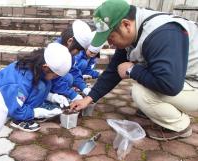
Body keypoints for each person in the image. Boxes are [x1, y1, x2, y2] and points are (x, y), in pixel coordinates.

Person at [71, 0, 198, 141]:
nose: (110, 43)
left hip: (190, 81)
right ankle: (158, 110)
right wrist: (89, 99)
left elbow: (170, 85)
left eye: (110, 37)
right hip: (181, 76)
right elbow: (113, 71)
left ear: (126, 25)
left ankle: (180, 126)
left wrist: (132, 70)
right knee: (144, 80)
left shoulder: (162, 34)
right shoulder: (134, 31)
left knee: (141, 92)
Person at [0, 42, 72, 132]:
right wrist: (36, 113)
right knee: (41, 86)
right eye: (55, 75)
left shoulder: (36, 68)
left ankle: (29, 110)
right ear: (45, 67)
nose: (56, 78)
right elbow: (14, 109)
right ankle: (19, 120)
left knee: (45, 84)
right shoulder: (20, 82)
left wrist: (52, 97)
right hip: (6, 101)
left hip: (15, 95)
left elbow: (30, 88)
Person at [51, 20, 93, 101]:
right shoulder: (55, 54)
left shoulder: (68, 53)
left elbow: (73, 71)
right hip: (45, 84)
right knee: (67, 78)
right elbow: (55, 80)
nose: (78, 54)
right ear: (70, 41)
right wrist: (72, 95)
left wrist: (84, 88)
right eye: (78, 50)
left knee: (69, 77)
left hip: (54, 80)